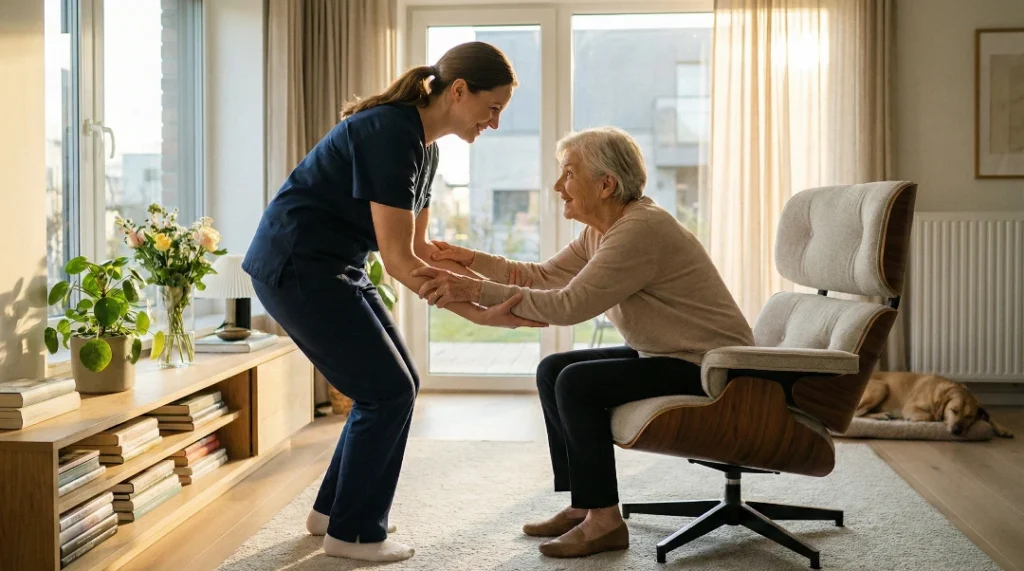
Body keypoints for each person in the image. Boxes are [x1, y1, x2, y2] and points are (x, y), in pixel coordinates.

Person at [242, 42, 543, 563]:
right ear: (459, 91)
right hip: (297, 267)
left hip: (335, 267)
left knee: (398, 384)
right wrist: (479, 313)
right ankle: (354, 535)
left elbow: (421, 250)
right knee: (387, 391)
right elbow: (402, 264)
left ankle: (332, 514)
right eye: (492, 108)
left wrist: (481, 282)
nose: (494, 123)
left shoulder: (426, 147)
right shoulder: (390, 132)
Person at [413, 127, 755, 558]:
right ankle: (583, 504)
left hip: (710, 365)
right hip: (670, 353)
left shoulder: (640, 230)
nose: (559, 186)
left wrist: (472, 290)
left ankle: (606, 522)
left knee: (577, 384)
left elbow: (568, 305)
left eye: (568, 174)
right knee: (553, 369)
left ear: (606, 184)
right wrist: (472, 261)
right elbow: (543, 276)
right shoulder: (603, 230)